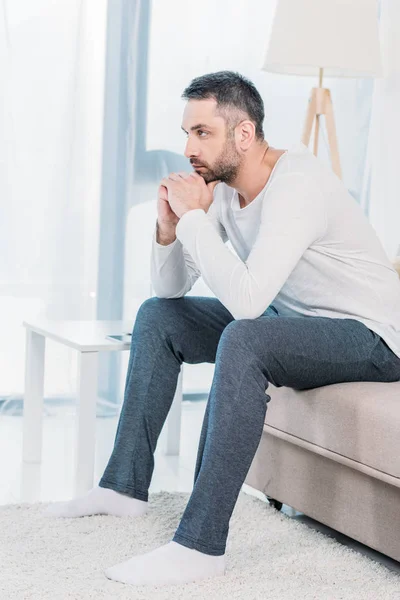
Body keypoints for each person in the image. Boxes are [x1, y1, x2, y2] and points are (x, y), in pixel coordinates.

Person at [46, 71, 400, 587]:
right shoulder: (226, 191)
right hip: (294, 322)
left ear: (244, 134)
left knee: (244, 337)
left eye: (202, 132)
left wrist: (193, 222)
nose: (189, 147)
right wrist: (170, 227)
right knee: (157, 317)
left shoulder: (296, 183)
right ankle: (123, 486)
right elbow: (170, 293)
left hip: (372, 337)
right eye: (187, 132)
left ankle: (201, 545)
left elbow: (249, 302)